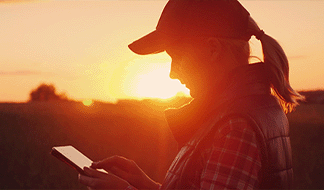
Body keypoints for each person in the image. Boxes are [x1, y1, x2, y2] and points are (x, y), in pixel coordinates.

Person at [78, 0, 303, 189]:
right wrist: (143, 184)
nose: (172, 73)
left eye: (177, 56)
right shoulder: (251, 108)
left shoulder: (236, 126)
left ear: (212, 50)